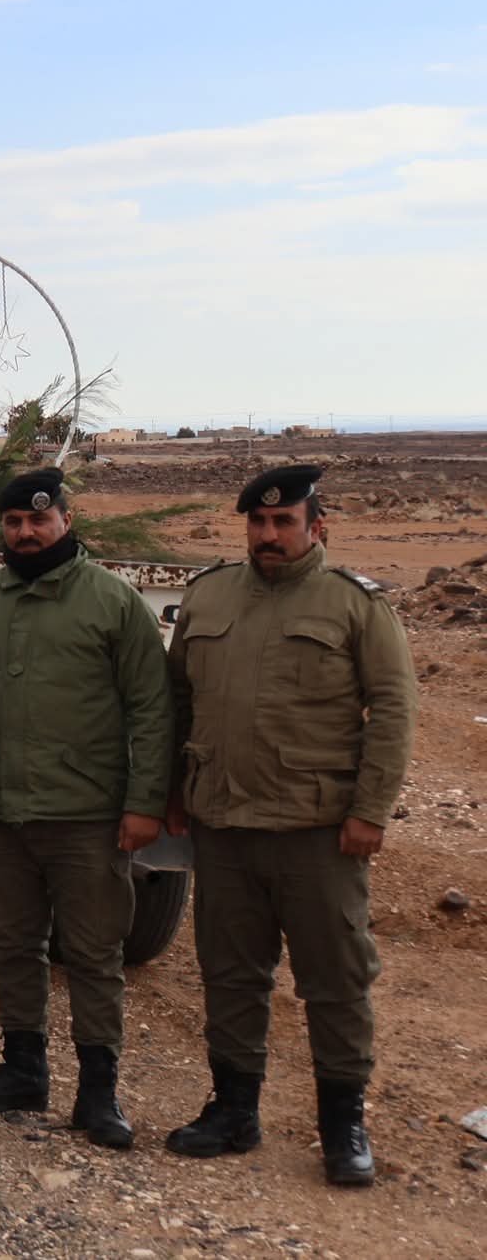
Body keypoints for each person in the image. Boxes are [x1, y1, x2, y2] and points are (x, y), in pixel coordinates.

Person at [163, 464, 416, 1186]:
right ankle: (233, 1110)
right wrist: (169, 790)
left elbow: (394, 709)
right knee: (231, 974)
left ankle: (343, 1125)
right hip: (224, 824)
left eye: (283, 522)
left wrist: (370, 810)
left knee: (336, 980)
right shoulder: (209, 594)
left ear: (316, 527)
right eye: (258, 522)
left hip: (317, 830)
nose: (268, 534)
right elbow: (174, 701)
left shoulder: (355, 605)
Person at [0, 466, 170, 1150]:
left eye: (39, 519)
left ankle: (99, 1091)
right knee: (10, 942)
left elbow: (152, 709)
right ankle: (23, 1069)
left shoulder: (114, 602)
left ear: (66, 519)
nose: (26, 532)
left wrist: (145, 802)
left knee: (93, 953)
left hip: (86, 815)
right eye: (14, 522)